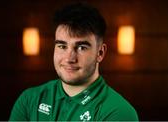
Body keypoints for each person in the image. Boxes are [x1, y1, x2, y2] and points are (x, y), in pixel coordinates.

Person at [9, 3, 138, 121]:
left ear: (100, 53)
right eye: (62, 46)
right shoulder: (29, 100)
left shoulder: (119, 112)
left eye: (82, 47)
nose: (70, 58)